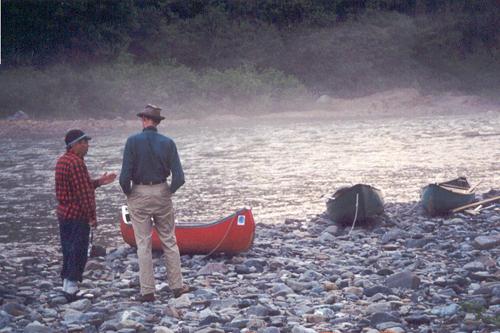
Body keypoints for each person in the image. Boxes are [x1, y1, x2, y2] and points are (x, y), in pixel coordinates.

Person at [119, 104, 192, 302]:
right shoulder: (168, 143)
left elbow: (124, 176)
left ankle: (148, 291)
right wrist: (168, 191)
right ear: (158, 122)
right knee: (169, 240)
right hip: (161, 190)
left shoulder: (132, 142)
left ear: (144, 120)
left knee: (143, 243)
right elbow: (179, 177)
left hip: (139, 191)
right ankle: (177, 287)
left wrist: (130, 193)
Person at [55, 129, 116, 301]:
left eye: (86, 142)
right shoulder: (76, 163)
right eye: (83, 143)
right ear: (73, 145)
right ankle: (72, 289)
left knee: (68, 250)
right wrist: (92, 217)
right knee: (78, 251)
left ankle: (67, 286)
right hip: (77, 215)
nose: (87, 145)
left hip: (64, 214)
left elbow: (79, 186)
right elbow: (84, 194)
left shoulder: (62, 161)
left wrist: (99, 182)